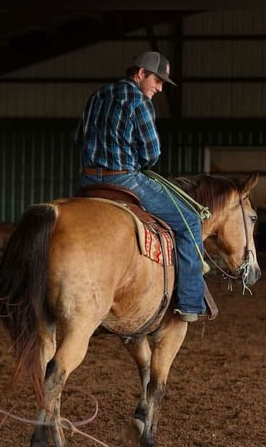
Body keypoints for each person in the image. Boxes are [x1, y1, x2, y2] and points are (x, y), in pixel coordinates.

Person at [74, 51, 208, 321]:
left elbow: (79, 138)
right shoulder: (139, 101)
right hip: (124, 179)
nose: (159, 88)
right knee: (191, 220)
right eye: (157, 81)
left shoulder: (97, 96)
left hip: (88, 180)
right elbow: (151, 154)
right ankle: (191, 303)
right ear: (140, 74)